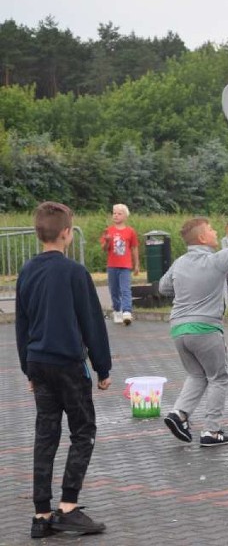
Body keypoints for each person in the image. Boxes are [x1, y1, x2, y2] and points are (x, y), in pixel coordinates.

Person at [16, 202, 112, 538]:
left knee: (46, 435)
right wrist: (103, 367)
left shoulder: (27, 272)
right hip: (69, 363)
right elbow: (91, 323)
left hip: (39, 362)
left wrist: (28, 368)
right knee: (83, 431)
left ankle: (41, 515)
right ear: (67, 234)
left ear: (37, 232)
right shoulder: (74, 273)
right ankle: (69, 506)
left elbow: (22, 324)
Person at [159, 216, 228, 447]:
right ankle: (212, 430)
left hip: (178, 329)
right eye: (210, 229)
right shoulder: (216, 261)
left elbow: (163, 287)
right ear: (202, 237)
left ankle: (179, 414)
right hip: (205, 328)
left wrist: (187, 289)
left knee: (197, 375)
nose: (214, 232)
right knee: (219, 377)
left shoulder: (179, 262)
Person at [100, 203, 140, 325]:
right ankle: (117, 310)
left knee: (125, 289)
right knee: (114, 290)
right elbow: (104, 248)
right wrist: (107, 241)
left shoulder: (130, 231)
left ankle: (127, 311)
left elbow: (134, 248)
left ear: (125, 216)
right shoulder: (108, 231)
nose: (116, 215)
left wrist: (137, 264)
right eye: (114, 213)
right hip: (112, 265)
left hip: (125, 266)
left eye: (119, 213)